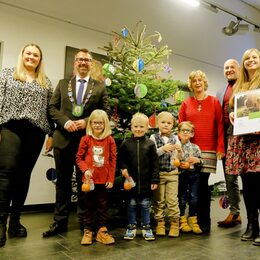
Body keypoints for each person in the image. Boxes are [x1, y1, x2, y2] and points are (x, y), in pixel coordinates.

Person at [43, 48, 111, 237]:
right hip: (63, 139)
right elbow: (52, 108)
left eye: (87, 60)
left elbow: (105, 112)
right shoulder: (63, 84)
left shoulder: (99, 87)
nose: (83, 63)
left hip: (87, 142)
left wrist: (86, 121)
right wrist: (65, 122)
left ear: (91, 64)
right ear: (75, 63)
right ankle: (60, 222)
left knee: (85, 182)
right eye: (80, 59)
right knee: (62, 183)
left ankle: (85, 223)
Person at [0, 43, 53, 247]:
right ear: (22, 55)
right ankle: (1, 223)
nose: (32, 57)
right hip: (10, 127)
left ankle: (15, 222)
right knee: (6, 173)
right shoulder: (7, 74)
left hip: (35, 132)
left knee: (23, 175)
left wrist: (51, 133)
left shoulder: (45, 82)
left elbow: (49, 110)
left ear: (40, 59)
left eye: (36, 55)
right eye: (28, 53)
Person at [178, 70, 224, 233]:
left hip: (209, 149)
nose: (197, 83)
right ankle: (188, 220)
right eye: (194, 81)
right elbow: (180, 127)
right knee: (188, 186)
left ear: (205, 83)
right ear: (191, 85)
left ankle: (204, 220)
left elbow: (219, 125)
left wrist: (220, 147)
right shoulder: (186, 103)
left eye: (200, 80)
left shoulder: (213, 102)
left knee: (203, 185)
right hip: (189, 150)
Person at [225, 48, 260, 246]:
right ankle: (252, 225)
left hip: (258, 142)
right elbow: (234, 108)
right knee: (247, 187)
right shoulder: (239, 85)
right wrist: (232, 114)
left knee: (259, 185)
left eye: (254, 57)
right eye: (247, 58)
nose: (251, 60)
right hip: (242, 141)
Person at [76, 109, 116, 245]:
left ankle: (101, 231)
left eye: (101, 123)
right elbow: (79, 158)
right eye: (95, 123)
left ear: (105, 124)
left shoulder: (109, 140)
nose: (98, 125)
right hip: (89, 181)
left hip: (103, 180)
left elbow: (112, 161)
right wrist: (85, 169)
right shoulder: (86, 139)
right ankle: (88, 231)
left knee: (102, 206)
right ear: (90, 124)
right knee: (88, 206)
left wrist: (110, 179)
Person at [118, 112, 159, 241]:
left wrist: (154, 179)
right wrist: (124, 169)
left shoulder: (150, 144)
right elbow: (121, 159)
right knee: (131, 204)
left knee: (145, 205)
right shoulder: (126, 143)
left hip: (146, 183)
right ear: (131, 128)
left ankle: (147, 227)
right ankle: (131, 227)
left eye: (142, 127)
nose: (138, 129)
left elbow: (155, 163)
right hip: (131, 182)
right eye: (136, 126)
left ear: (147, 128)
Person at [216, 59, 242, 228]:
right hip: (226, 137)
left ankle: (255, 216)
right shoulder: (220, 91)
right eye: (226, 67)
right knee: (229, 177)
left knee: (250, 177)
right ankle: (235, 213)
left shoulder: (246, 86)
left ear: (239, 69)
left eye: (232, 67)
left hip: (244, 136)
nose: (229, 70)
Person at [150, 111, 183, 238]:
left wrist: (179, 151)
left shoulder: (175, 138)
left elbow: (179, 158)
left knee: (172, 200)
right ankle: (160, 223)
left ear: (173, 125)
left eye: (169, 123)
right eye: (163, 122)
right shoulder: (154, 138)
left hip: (172, 173)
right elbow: (152, 155)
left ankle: (174, 223)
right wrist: (163, 149)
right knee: (159, 200)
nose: (166, 125)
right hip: (159, 174)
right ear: (158, 123)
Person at [177, 121, 203, 234]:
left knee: (193, 198)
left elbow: (201, 161)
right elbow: (174, 161)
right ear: (178, 133)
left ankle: (193, 219)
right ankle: (182, 220)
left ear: (192, 134)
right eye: (183, 130)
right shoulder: (176, 146)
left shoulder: (195, 147)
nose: (185, 132)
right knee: (181, 198)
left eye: (188, 131)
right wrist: (181, 163)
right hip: (181, 176)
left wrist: (197, 161)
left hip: (194, 176)